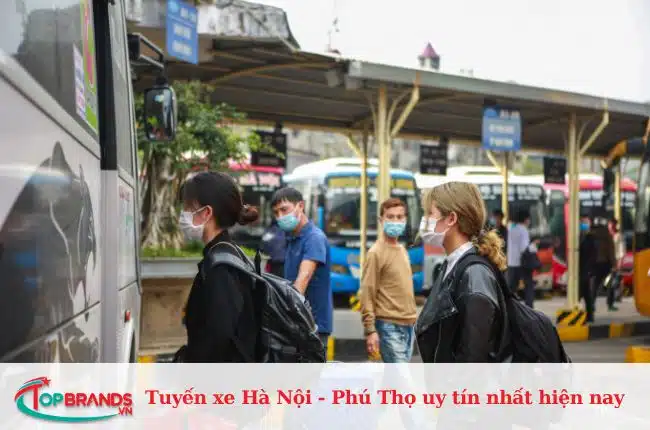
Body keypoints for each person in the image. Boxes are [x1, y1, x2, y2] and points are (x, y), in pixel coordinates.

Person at [415, 181, 510, 363]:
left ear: (451, 218)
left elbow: (473, 360)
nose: (424, 220)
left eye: (429, 213)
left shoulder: (474, 274)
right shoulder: (452, 265)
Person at [178, 172, 261, 362]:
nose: (183, 215)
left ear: (207, 213)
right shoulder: (226, 253)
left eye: (188, 208)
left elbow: (219, 338)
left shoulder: (220, 267)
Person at [271, 187, 333, 356]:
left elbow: (303, 279)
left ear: (300, 206)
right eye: (276, 213)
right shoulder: (292, 238)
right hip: (297, 324)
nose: (280, 216)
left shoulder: (314, 238)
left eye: (284, 210)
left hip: (313, 327)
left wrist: (284, 313)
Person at [360, 198, 417, 363]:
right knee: (401, 377)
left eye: (399, 217)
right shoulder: (376, 253)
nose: (395, 221)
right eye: (390, 217)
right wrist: (370, 330)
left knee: (395, 376)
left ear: (405, 220)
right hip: (388, 325)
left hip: (409, 325)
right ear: (381, 220)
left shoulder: (402, 250)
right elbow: (367, 292)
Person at [506, 209, 537, 308]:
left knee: (511, 288)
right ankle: (529, 309)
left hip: (511, 263)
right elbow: (524, 248)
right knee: (528, 287)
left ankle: (509, 308)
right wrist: (534, 245)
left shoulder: (511, 228)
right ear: (525, 219)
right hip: (523, 264)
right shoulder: (523, 230)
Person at [591, 214, 617, 311]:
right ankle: (610, 305)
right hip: (606, 264)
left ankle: (591, 305)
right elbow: (611, 251)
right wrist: (614, 264)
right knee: (610, 284)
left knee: (594, 285)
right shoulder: (607, 235)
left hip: (595, 265)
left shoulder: (591, 236)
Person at [579, 215, 596, 323]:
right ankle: (586, 315)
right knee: (584, 293)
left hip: (586, 270)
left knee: (585, 294)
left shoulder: (590, 238)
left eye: (585, 223)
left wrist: (590, 270)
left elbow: (593, 256)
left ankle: (589, 315)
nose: (583, 225)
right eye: (582, 223)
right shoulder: (579, 237)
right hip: (580, 269)